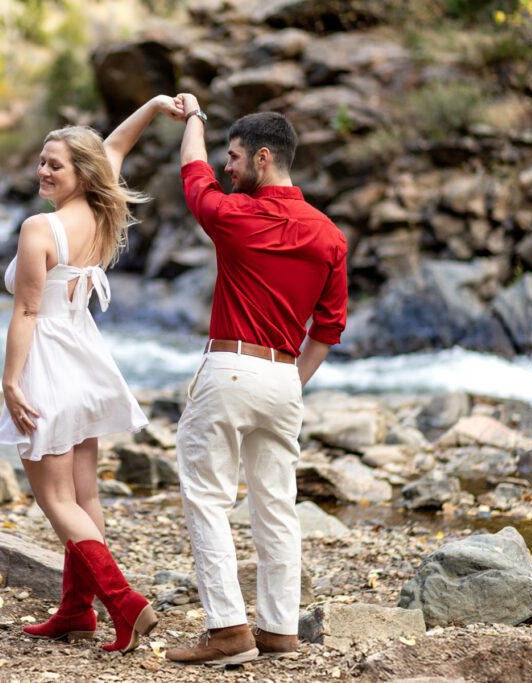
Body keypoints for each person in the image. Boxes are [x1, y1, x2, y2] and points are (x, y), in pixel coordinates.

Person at [0, 95, 184, 653]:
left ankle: (124, 603)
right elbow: (117, 146)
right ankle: (77, 610)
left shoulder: (39, 227)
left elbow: (26, 311)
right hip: (86, 356)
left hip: (47, 360)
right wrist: (152, 106)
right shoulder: (102, 211)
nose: (44, 170)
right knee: (83, 493)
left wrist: (10, 383)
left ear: (81, 173)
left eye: (56, 164)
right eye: (42, 161)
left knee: (56, 501)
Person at [165, 95, 348, 665]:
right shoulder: (329, 236)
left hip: (229, 367)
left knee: (207, 497)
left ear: (263, 158)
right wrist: (295, 379)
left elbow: (190, 170)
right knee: (276, 505)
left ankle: (227, 631)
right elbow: (331, 324)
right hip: (283, 377)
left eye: (236, 156)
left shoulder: (232, 215)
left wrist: (193, 116)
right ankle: (278, 630)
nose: (227, 166)